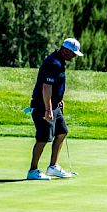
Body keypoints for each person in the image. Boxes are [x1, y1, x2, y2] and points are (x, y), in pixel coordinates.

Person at [26, 38, 83, 180]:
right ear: (65, 50)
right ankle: (33, 170)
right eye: (73, 53)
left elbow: (55, 86)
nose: (74, 56)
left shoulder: (60, 61)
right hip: (42, 106)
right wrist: (48, 109)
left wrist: (58, 100)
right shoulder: (54, 63)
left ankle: (53, 167)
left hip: (53, 105)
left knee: (62, 131)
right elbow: (46, 87)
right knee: (43, 137)